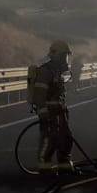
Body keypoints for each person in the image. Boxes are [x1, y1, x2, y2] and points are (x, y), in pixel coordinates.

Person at [30, 39, 74, 172]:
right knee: (49, 138)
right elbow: (39, 95)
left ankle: (64, 163)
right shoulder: (45, 71)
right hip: (49, 111)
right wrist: (43, 113)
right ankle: (44, 165)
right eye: (64, 56)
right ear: (58, 55)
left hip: (59, 110)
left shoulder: (57, 72)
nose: (66, 59)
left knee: (66, 137)